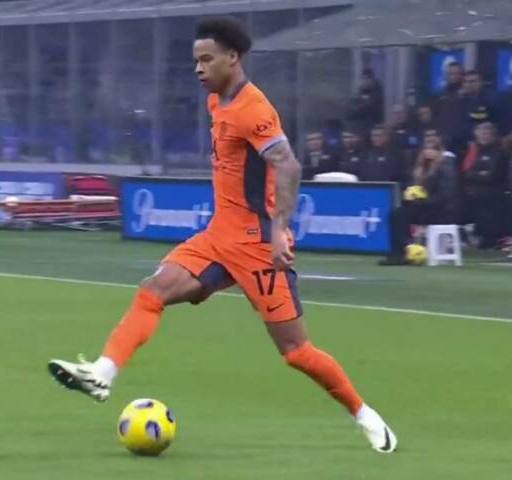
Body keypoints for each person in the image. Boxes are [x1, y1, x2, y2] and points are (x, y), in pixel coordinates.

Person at [47, 17, 398, 454]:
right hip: (218, 237)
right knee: (153, 291)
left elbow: (288, 164)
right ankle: (102, 373)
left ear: (233, 57)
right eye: (196, 60)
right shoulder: (217, 101)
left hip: (255, 246)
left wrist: (279, 230)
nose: (199, 68)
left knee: (296, 351)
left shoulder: (254, 109)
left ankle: (364, 414)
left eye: (207, 59)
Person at [379, 135, 458, 266]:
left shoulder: (445, 167)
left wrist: (420, 202)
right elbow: (411, 186)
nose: (429, 152)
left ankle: (403, 251)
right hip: (424, 206)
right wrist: (409, 197)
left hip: (441, 210)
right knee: (396, 214)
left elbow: (444, 196)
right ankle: (400, 251)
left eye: (433, 149)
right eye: (426, 148)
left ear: (439, 151)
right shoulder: (420, 167)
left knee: (401, 215)